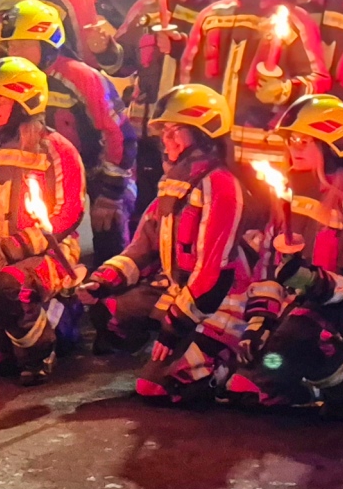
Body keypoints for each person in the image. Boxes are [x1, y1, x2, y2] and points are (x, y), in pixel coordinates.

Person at [79, 84, 257, 402]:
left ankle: (222, 363)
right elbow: (144, 246)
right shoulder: (173, 182)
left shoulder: (221, 185)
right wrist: (102, 281)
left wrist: (174, 325)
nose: (166, 139)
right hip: (177, 293)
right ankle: (178, 352)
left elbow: (212, 272)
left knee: (165, 387)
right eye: (165, 131)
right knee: (108, 313)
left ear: (204, 134)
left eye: (176, 131)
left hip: (218, 303)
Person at [225, 94, 343, 420]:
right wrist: (260, 321)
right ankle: (291, 379)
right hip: (297, 306)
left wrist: (308, 279)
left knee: (299, 336)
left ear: (331, 145)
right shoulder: (287, 193)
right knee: (243, 381)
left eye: (305, 141)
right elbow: (267, 268)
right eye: (291, 140)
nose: (295, 148)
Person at [0, 57, 87, 385]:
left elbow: (67, 214)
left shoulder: (56, 148)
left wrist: (12, 248)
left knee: (8, 287)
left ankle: (41, 350)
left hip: (49, 254)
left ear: (26, 101)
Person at [179, 0, 327, 174]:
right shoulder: (211, 16)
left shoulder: (294, 20)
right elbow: (187, 83)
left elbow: (320, 81)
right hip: (211, 152)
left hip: (269, 158)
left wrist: (284, 91)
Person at [0, 0, 135, 264]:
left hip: (97, 175)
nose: (15, 52)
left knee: (110, 241)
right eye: (11, 45)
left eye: (24, 44)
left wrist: (109, 195)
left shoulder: (81, 77)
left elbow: (119, 134)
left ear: (48, 45)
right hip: (42, 177)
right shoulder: (8, 79)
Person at [103, 0, 224, 221]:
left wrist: (182, 50)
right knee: (145, 208)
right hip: (146, 133)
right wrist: (102, 48)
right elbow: (122, 64)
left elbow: (224, 72)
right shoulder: (146, 8)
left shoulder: (221, 13)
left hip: (194, 136)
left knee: (188, 210)